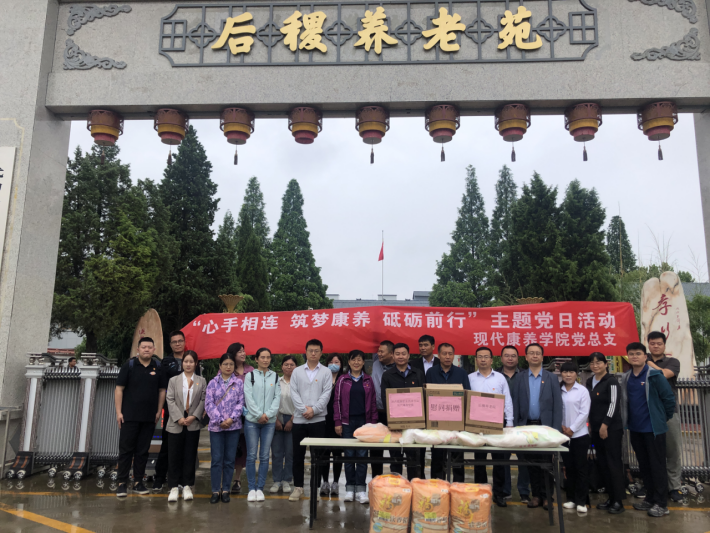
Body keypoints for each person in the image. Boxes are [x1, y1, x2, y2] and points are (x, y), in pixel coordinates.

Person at [620, 342, 676, 518]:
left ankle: (661, 504)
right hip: (635, 429)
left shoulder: (655, 375)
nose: (634, 356)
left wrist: (662, 418)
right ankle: (650, 499)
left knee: (657, 466)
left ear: (645, 357)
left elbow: (669, 399)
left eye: (638, 353)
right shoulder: (626, 378)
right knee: (644, 466)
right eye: (631, 354)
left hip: (653, 430)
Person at [511, 343, 562, 510]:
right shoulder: (520, 377)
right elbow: (515, 403)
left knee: (547, 463)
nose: (534, 356)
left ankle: (548, 497)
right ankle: (536, 496)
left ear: (542, 356)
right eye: (531, 353)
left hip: (545, 427)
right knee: (531, 464)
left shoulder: (551, 377)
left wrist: (556, 430)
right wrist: (515, 427)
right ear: (526, 357)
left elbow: (557, 406)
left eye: (537, 353)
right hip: (526, 427)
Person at [114, 337, 166, 498]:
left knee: (142, 451)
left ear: (154, 349)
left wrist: (158, 411)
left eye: (150, 347)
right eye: (144, 347)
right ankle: (122, 483)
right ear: (138, 349)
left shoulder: (158, 367)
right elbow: (119, 389)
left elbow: (162, 391)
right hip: (129, 416)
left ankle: (138, 482)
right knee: (126, 451)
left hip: (149, 417)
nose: (147, 349)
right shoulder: (129, 366)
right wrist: (119, 412)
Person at [154, 330, 201, 491]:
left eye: (180, 341)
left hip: (190, 413)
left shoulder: (193, 360)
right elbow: (174, 377)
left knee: (187, 448)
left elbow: (198, 384)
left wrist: (195, 413)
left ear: (184, 342)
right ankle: (160, 478)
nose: (177, 344)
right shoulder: (167, 361)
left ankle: (182, 480)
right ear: (170, 344)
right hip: (173, 411)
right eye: (174, 342)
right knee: (168, 447)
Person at [467, 346, 513, 506]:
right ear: (476, 360)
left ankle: (499, 494)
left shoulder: (500, 378)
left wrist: (510, 422)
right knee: (479, 461)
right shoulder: (470, 378)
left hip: (496, 424)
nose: (483, 360)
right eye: (480, 357)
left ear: (492, 360)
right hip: (476, 425)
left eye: (486, 357)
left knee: (498, 460)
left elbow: (507, 400)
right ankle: (481, 492)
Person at [289, 339, 333, 502]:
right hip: (299, 420)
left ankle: (316, 487)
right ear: (306, 352)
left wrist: (314, 410)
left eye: (316, 351)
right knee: (298, 455)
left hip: (318, 420)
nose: (313, 353)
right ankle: (298, 487)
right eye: (310, 350)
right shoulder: (297, 371)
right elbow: (294, 393)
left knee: (318, 456)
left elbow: (326, 393)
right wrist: (304, 410)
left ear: (321, 353)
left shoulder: (326, 372)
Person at [334, 350, 377, 503]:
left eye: (359, 360)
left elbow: (373, 402)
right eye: (353, 360)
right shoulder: (342, 380)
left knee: (362, 456)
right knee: (349, 456)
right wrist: (338, 422)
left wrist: (373, 423)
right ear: (349, 362)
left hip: (364, 423)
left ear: (363, 362)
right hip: (347, 423)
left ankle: (361, 490)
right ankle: (349, 488)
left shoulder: (368, 380)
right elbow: (337, 402)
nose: (356, 362)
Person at [586, 352, 625, 514]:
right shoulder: (590, 381)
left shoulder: (611, 381)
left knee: (613, 463)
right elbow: (588, 404)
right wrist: (590, 424)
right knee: (603, 463)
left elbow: (613, 404)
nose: (595, 366)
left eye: (598, 362)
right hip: (595, 429)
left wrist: (605, 425)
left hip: (611, 429)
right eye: (592, 363)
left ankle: (618, 501)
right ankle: (611, 497)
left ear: (605, 364)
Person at [646, 331, 683, 503]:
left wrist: (647, 362)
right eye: (652, 343)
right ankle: (653, 485)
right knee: (651, 452)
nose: (655, 346)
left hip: (668, 412)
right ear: (648, 344)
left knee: (672, 450)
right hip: (647, 413)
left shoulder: (672, 362)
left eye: (659, 343)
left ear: (664, 345)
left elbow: (663, 374)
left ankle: (674, 487)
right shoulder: (641, 360)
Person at [165, 350, 206, 502]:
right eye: (186, 361)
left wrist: (193, 416)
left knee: (190, 455)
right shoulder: (173, 380)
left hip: (192, 423)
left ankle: (187, 485)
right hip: (176, 423)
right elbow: (170, 399)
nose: (188, 364)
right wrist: (179, 418)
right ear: (182, 363)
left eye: (191, 362)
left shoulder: (201, 380)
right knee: (173, 455)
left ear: (196, 364)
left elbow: (203, 400)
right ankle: (173, 487)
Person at [380, 342, 426, 481]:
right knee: (396, 460)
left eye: (403, 354)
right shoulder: (387, 375)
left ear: (408, 355)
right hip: (395, 426)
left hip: (414, 426)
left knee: (414, 461)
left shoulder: (418, 374)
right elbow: (385, 399)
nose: (401, 357)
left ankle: (415, 487)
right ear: (393, 356)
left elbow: (423, 397)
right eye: (398, 354)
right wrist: (393, 421)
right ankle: (397, 488)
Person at [427, 343, 470, 483]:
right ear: (438, 355)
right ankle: (437, 486)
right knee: (437, 457)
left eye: (450, 354)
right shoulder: (431, 372)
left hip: (456, 422)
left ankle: (458, 486)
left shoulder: (461, 373)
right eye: (444, 353)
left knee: (457, 458)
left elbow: (467, 396)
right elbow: (426, 396)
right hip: (437, 423)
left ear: (453, 355)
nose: (447, 356)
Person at [205, 352, 245, 504]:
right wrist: (220, 420)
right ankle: (215, 490)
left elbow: (241, 403)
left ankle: (226, 489)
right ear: (220, 366)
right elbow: (208, 404)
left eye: (231, 364)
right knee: (216, 459)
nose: (228, 367)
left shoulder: (238, 383)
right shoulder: (212, 383)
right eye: (225, 364)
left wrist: (231, 419)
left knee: (229, 460)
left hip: (233, 427)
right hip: (216, 428)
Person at [244, 347, 281, 502]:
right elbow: (248, 397)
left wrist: (268, 415)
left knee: (265, 456)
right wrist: (259, 415)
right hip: (252, 421)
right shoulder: (250, 376)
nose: (265, 360)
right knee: (252, 455)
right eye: (262, 357)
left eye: (268, 357)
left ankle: (260, 488)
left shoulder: (275, 376)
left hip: (269, 422)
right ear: (256, 359)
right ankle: (251, 488)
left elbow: (277, 398)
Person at [559, 361, 591, 514]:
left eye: (571, 372)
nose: (568, 375)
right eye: (565, 372)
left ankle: (582, 501)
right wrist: (562, 427)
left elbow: (584, 413)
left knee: (581, 468)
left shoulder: (582, 391)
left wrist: (572, 429)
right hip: (563, 435)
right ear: (561, 374)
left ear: (576, 374)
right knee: (568, 468)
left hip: (579, 435)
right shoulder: (558, 390)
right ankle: (571, 498)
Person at [499, 345, 530, 504]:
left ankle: (524, 491)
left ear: (518, 358)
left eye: (513, 356)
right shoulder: (495, 375)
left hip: (522, 421)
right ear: (501, 358)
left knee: (523, 458)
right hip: (501, 421)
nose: (510, 358)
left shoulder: (525, 375)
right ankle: (505, 491)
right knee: (502, 458)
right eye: (507, 355)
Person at [228, 342, 254, 494]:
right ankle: (225, 478)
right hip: (229, 417)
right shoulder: (226, 369)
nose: (243, 354)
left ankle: (237, 479)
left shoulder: (251, 371)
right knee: (229, 447)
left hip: (247, 416)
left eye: (244, 351)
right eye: (240, 351)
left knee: (242, 447)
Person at [270, 355, 297, 494]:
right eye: (286, 364)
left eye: (292, 365)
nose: (289, 367)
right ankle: (277, 480)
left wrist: (292, 420)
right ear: (282, 366)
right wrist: (275, 419)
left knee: (290, 452)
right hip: (277, 418)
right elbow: (270, 400)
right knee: (276, 453)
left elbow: (302, 402)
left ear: (296, 367)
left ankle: (287, 480)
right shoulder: (276, 382)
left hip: (293, 418)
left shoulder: (299, 383)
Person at [370, 340, 396, 477]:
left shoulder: (399, 367)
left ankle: (396, 477)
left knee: (395, 449)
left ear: (391, 353)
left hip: (394, 414)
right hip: (377, 413)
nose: (378, 353)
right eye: (378, 351)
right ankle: (376, 478)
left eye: (382, 351)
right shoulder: (376, 363)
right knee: (376, 449)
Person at [320, 353, 345, 497]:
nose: (334, 364)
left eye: (337, 362)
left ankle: (335, 482)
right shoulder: (322, 378)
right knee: (324, 452)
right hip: (323, 419)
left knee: (337, 453)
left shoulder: (344, 379)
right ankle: (325, 482)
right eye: (331, 361)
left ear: (341, 364)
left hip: (338, 421)